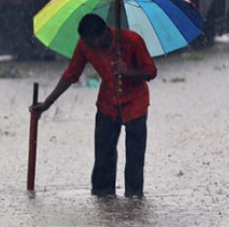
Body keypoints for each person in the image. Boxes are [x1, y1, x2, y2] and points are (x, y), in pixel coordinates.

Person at [29, 13, 157, 198]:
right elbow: (71, 75)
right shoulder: (85, 45)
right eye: (88, 43)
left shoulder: (132, 41)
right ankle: (103, 202)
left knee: (135, 161)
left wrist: (127, 72)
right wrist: (47, 103)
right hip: (107, 105)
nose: (91, 48)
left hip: (135, 104)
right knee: (103, 160)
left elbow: (151, 71)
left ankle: (134, 202)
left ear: (105, 33)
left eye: (93, 43)